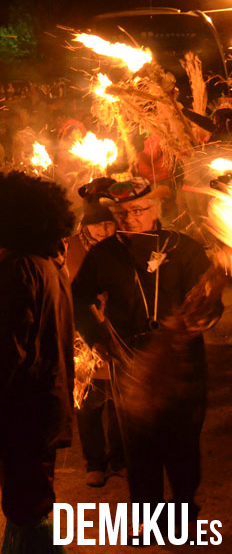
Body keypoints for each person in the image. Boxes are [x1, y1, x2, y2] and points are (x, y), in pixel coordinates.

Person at [72, 177, 218, 517]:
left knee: (182, 440)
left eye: (137, 210)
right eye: (121, 213)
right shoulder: (104, 254)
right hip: (129, 358)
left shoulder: (184, 248)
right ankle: (147, 516)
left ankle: (183, 509)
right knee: (138, 443)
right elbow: (78, 297)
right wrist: (95, 336)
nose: (128, 219)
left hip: (182, 361)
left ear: (156, 210)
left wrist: (202, 319)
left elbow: (210, 299)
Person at [0, 172, 76, 551]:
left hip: (22, 414)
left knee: (28, 509)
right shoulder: (43, 266)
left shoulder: (19, 272)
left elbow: (7, 350)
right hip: (38, 411)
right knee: (29, 505)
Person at [60, 179, 122, 488]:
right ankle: (95, 461)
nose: (105, 231)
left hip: (117, 331)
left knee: (119, 400)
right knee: (89, 401)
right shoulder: (69, 247)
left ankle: (120, 458)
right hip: (81, 333)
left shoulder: (122, 245)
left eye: (110, 224)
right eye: (99, 225)